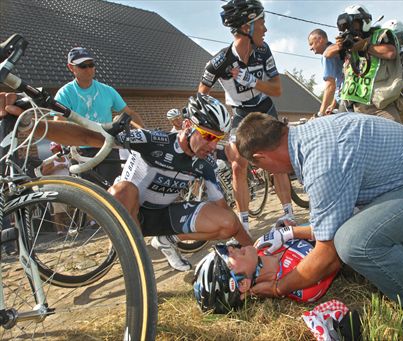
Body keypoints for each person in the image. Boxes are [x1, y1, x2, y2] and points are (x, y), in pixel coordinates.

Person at [233, 111, 403, 336]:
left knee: (354, 244)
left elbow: (329, 254)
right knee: (376, 266)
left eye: (264, 170)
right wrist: (290, 233)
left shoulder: (321, 160)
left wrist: (280, 287)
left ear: (262, 158)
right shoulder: (312, 135)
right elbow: (332, 222)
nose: (272, 174)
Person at [0, 92, 253, 272]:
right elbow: (90, 135)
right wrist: (36, 125)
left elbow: (222, 208)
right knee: (124, 188)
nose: (212, 145)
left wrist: (254, 249)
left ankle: (166, 240)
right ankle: (138, 266)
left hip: (162, 216)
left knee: (227, 222)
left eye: (217, 138)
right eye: (207, 136)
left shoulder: (204, 162)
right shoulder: (153, 140)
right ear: (187, 125)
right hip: (128, 210)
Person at [198, 0, 295, 235]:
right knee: (237, 165)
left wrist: (252, 81)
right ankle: (243, 223)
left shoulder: (264, 51)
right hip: (240, 113)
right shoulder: (218, 62)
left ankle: (289, 215)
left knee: (278, 161)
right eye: (261, 22)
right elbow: (201, 95)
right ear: (247, 27)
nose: (265, 28)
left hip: (264, 108)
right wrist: (213, 122)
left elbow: (277, 89)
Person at [54, 47, 144, 185]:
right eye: (83, 66)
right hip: (81, 151)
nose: (89, 69)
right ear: (71, 68)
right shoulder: (65, 93)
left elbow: (130, 113)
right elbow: (58, 122)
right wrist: (61, 144)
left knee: (113, 193)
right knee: (90, 199)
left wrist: (145, 133)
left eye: (91, 65)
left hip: (108, 147)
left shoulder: (107, 90)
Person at [193, 230, 339, 313]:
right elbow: (334, 240)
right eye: (227, 257)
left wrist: (287, 228)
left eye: (225, 249)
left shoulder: (261, 247)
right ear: (243, 283)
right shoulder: (305, 288)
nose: (230, 248)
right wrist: (292, 232)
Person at [324, 4, 403, 123]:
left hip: (378, 102)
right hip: (351, 102)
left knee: (396, 134)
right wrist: (340, 46)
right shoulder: (348, 40)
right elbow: (327, 54)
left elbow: (390, 52)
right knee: (343, 137)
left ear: (364, 21)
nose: (349, 28)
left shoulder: (381, 34)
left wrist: (366, 46)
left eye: (352, 24)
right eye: (345, 26)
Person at [35, 142, 71, 236]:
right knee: (58, 209)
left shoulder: (66, 158)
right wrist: (56, 167)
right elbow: (44, 172)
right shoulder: (51, 161)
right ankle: (60, 230)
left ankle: (67, 227)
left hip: (67, 184)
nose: (54, 150)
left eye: (56, 149)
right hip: (56, 185)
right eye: (53, 149)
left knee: (67, 208)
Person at [308, 29, 344, 116]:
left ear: (320, 39)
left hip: (346, 98)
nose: (310, 48)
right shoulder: (336, 49)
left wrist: (321, 112)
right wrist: (333, 104)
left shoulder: (327, 54)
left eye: (311, 43)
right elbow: (341, 80)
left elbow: (330, 85)